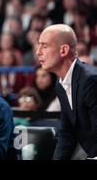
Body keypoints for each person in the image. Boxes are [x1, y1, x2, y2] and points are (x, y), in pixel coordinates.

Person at [36, 24, 97, 159]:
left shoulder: (91, 81)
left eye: (44, 46)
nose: (38, 52)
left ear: (63, 50)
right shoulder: (60, 83)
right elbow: (67, 132)